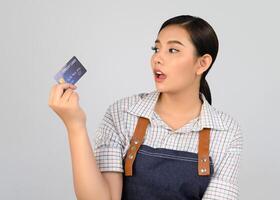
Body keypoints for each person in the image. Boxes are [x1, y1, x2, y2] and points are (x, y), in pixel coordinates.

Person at [48, 15, 243, 200]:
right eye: (156, 49)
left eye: (173, 50)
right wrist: (75, 126)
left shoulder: (226, 132)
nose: (157, 58)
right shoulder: (122, 113)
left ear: (202, 63)